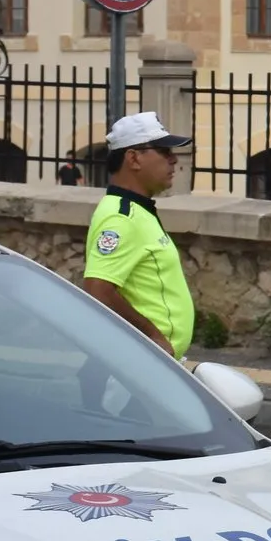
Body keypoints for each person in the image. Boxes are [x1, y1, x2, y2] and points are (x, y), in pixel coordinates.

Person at [83, 112, 195, 362]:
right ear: (133, 158)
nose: (174, 159)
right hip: (140, 361)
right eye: (164, 152)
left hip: (153, 361)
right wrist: (152, 336)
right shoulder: (121, 217)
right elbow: (97, 289)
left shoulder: (137, 210)